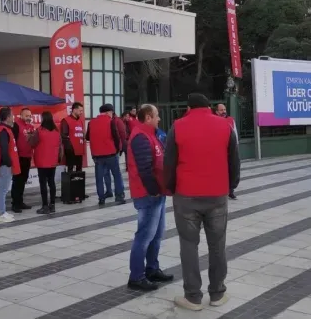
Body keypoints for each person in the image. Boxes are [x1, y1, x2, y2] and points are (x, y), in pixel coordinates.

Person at [164, 93, 240, 311]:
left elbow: (169, 162)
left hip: (186, 195)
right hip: (217, 195)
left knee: (188, 245)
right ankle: (217, 293)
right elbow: (234, 160)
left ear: (188, 107)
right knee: (217, 245)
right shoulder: (225, 126)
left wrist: (170, 188)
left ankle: (193, 297)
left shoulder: (178, 126)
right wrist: (230, 186)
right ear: (209, 107)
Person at [127, 104, 174, 291]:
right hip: (148, 194)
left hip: (157, 193)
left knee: (156, 234)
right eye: (156, 116)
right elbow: (144, 169)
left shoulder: (151, 134)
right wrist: (154, 190)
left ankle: (152, 269)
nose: (159, 119)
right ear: (147, 117)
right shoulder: (140, 136)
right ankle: (136, 277)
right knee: (145, 235)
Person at [86, 104, 125, 205]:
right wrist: (117, 149)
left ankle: (101, 198)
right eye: (112, 113)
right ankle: (119, 196)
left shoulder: (91, 123)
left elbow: (87, 137)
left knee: (99, 177)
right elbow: (116, 137)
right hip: (110, 154)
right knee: (116, 175)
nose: (112, 115)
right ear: (108, 112)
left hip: (97, 155)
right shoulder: (110, 122)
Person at [30, 111, 62, 214]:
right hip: (53, 162)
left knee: (43, 183)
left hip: (42, 161)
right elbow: (60, 147)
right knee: (51, 183)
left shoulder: (39, 131)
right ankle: (52, 205)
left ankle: (45, 206)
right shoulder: (57, 132)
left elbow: (32, 143)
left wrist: (29, 137)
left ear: (43, 119)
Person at [0, 107, 21, 222]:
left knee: (3, 189)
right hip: (5, 164)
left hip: (6, 164)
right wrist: (8, 162)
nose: (13, 117)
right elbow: (3, 149)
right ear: (8, 117)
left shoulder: (5, 129)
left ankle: (1, 211)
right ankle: (0, 213)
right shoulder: (3, 131)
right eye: (12, 115)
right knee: (3, 189)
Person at [11, 108, 35, 213]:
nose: (28, 118)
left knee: (23, 180)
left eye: (30, 116)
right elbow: (12, 141)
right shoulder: (16, 125)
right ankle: (15, 203)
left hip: (27, 156)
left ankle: (20, 201)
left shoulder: (31, 127)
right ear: (21, 116)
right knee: (17, 181)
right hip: (18, 157)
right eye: (26, 116)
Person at [215, 103, 238, 200]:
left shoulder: (231, 120)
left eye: (224, 109)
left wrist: (236, 147)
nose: (223, 111)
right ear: (216, 111)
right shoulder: (214, 121)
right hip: (219, 151)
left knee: (233, 169)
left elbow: (235, 134)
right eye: (221, 110)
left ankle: (231, 190)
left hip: (231, 150)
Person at [60, 102, 86, 173]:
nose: (81, 112)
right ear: (74, 110)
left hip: (80, 148)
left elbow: (81, 133)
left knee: (79, 170)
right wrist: (70, 147)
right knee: (70, 169)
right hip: (71, 149)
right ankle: (70, 183)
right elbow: (64, 136)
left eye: (82, 111)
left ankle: (78, 183)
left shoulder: (80, 121)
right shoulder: (66, 120)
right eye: (80, 110)